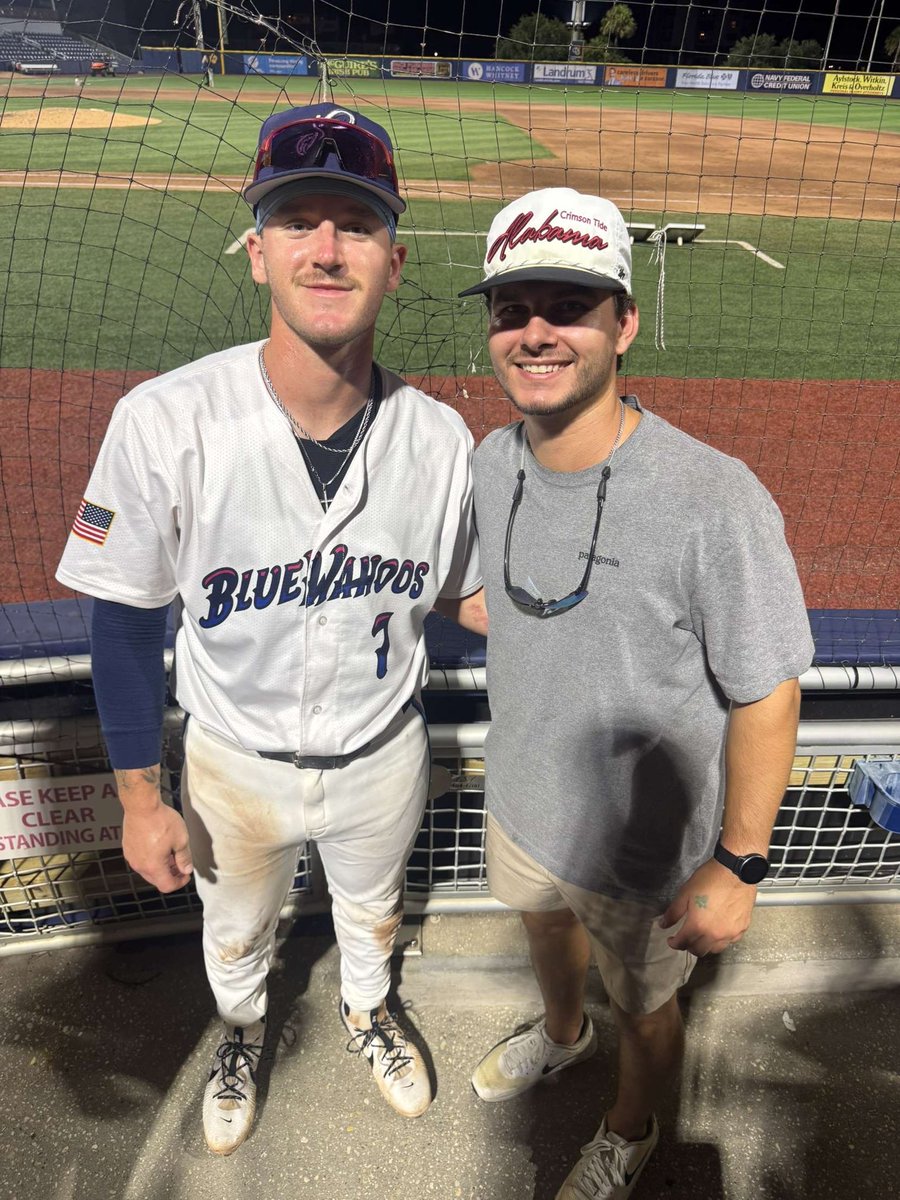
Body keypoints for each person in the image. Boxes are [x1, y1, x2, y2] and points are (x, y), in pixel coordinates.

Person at [56, 103, 486, 1156]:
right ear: (258, 253)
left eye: (357, 223)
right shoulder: (165, 420)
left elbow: (467, 596)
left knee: (373, 913)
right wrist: (138, 797)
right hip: (231, 764)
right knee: (235, 934)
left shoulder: (440, 440)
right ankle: (242, 1034)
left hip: (383, 753)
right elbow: (125, 623)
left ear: (394, 260)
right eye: (298, 220)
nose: (327, 248)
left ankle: (367, 1010)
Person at [459, 187, 813, 1200]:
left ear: (624, 325)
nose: (535, 333)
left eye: (568, 306)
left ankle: (631, 1127)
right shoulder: (491, 461)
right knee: (543, 929)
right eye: (512, 309)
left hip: (644, 854)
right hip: (521, 796)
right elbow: (502, 598)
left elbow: (766, 690)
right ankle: (562, 1034)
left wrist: (738, 865)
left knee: (647, 1009)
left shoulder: (714, 496)